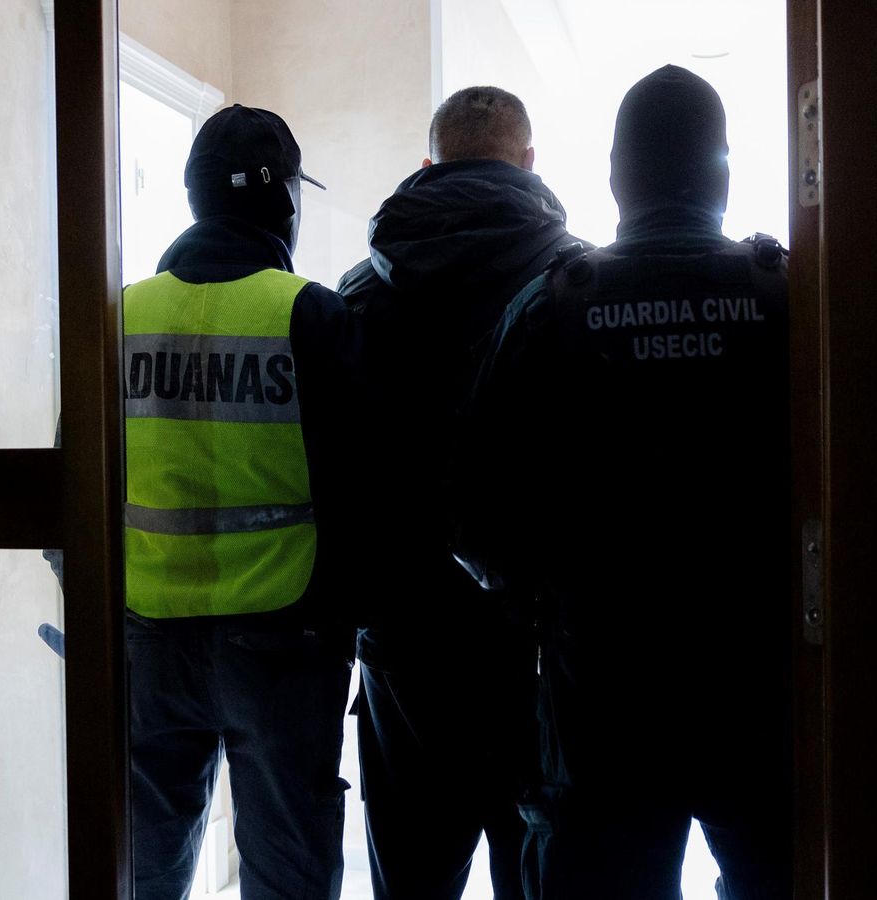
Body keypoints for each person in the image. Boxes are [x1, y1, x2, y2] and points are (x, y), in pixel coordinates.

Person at [452, 66, 792, 899]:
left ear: (615, 177)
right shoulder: (786, 296)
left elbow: (470, 512)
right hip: (758, 684)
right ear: (723, 173)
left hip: (600, 692)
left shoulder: (555, 304)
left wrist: (541, 597)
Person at [47, 104, 361, 900]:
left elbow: (66, 493)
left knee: (141, 870)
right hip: (283, 646)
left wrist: (96, 612)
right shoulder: (310, 314)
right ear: (286, 201)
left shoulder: (117, 320)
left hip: (145, 643)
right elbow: (365, 498)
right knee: (288, 871)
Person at [337, 86, 588, 900]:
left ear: (428, 163)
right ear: (529, 162)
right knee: (539, 875)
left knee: (411, 881)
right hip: (539, 648)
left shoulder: (358, 296)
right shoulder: (575, 287)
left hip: (405, 649)